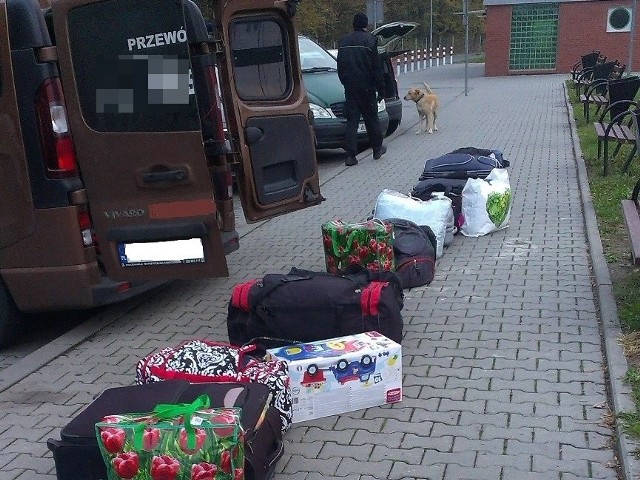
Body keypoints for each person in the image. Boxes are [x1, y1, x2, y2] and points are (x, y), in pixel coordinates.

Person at [337, 12, 387, 167]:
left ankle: (350, 156)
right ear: (366, 25)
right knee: (371, 118)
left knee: (352, 121)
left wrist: (345, 83)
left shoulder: (343, 41)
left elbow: (340, 66)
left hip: (350, 87)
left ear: (353, 24)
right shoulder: (371, 41)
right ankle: (377, 149)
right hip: (366, 87)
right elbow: (377, 68)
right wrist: (381, 89)